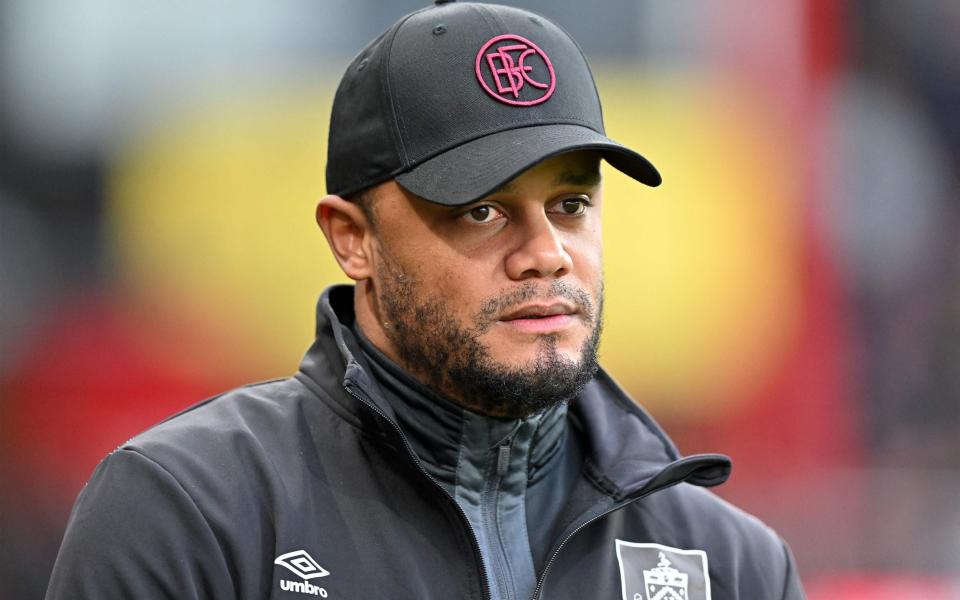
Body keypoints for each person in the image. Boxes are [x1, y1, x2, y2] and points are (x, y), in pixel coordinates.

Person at [46, 1, 805, 598]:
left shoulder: (728, 564)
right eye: (482, 210)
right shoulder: (188, 513)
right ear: (353, 239)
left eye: (571, 204)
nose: (546, 252)